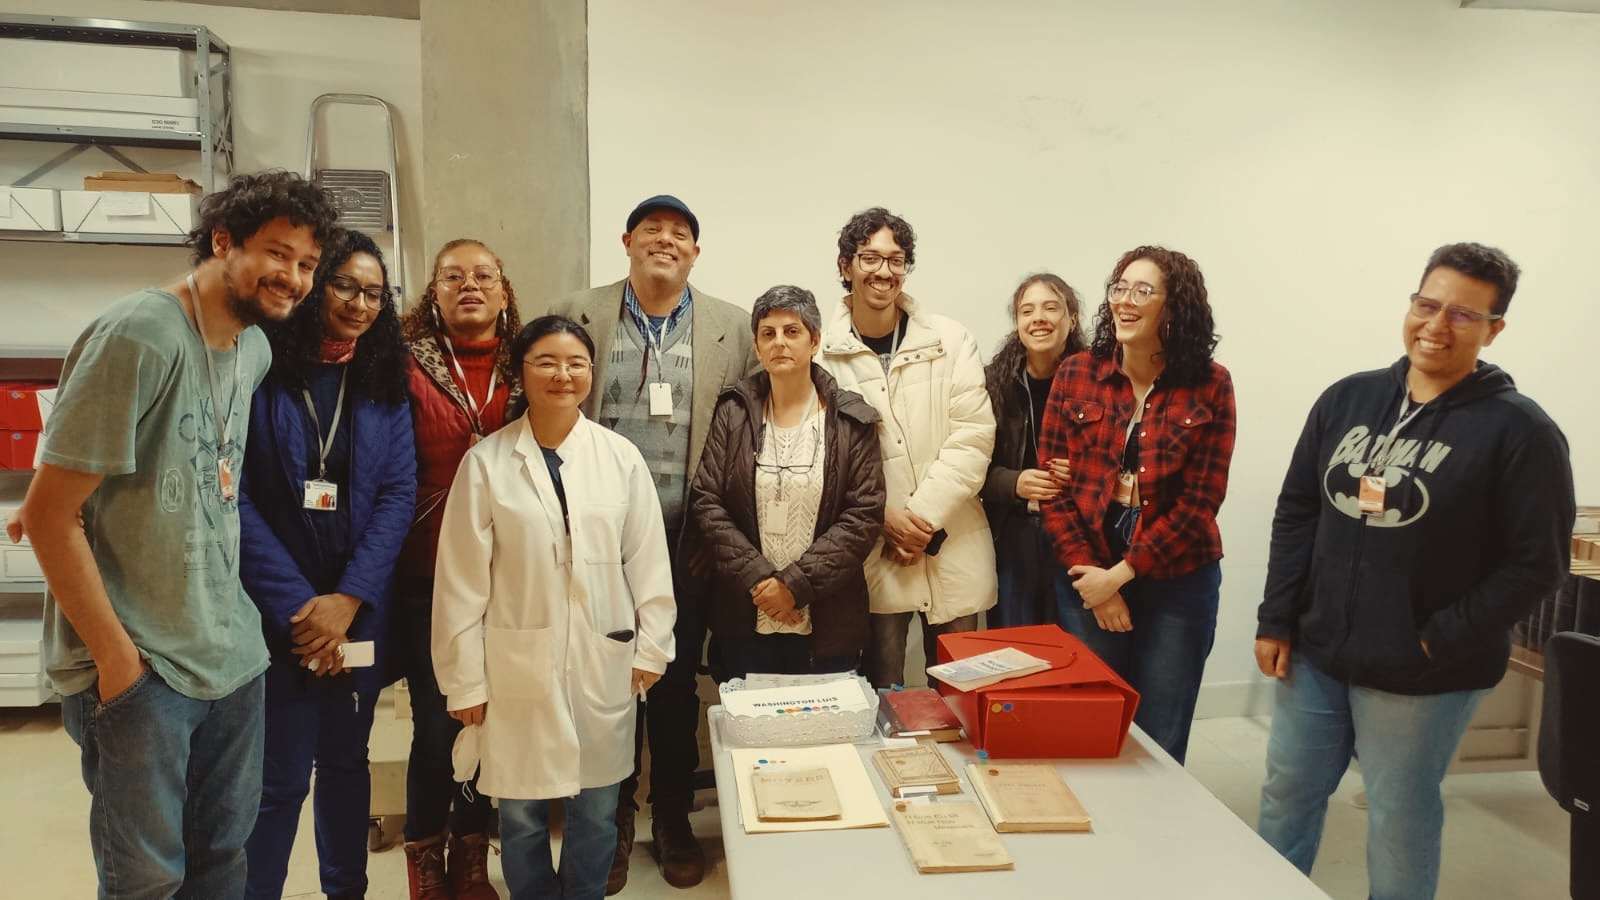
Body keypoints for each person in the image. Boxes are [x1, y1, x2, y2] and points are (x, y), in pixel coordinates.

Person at [5, 170, 338, 898]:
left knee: (223, 863)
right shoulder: (141, 334)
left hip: (230, 655)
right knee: (146, 879)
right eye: (277, 254)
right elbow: (48, 516)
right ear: (224, 241)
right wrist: (118, 664)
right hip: (143, 667)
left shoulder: (252, 351)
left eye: (308, 265)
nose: (293, 278)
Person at [1254, 242, 1574, 900]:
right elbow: (1298, 511)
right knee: (1287, 794)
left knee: (1398, 820)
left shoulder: (1520, 431)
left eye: (1462, 314)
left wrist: (1435, 637)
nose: (1435, 325)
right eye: (1427, 305)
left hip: (1422, 673)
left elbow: (1537, 562)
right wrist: (1276, 617)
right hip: (1317, 653)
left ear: (1494, 329)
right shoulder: (1348, 399)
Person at [545, 194, 756, 892]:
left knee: (667, 687)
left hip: (687, 540)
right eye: (653, 230)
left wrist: (713, 532)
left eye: (681, 234)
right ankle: (605, 825)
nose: (666, 241)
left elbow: (747, 440)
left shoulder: (732, 325)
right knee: (602, 683)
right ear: (627, 240)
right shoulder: (582, 311)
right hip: (596, 540)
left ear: (696, 252)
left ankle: (671, 819)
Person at [432, 315, 676, 900]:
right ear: (522, 371)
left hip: (604, 654)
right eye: (546, 362)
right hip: (516, 662)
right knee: (519, 814)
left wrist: (652, 646)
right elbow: (460, 581)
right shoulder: (488, 463)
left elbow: (648, 560)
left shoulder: (620, 458)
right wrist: (464, 681)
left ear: (591, 373)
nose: (563, 375)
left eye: (576, 363)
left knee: (596, 807)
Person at [238, 229, 416, 900]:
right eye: (345, 285)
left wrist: (348, 599)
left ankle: (347, 890)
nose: (359, 303)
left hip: (358, 610)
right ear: (316, 288)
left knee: (346, 763)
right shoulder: (260, 367)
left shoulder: (381, 378)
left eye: (374, 292)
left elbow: (398, 494)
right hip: (277, 613)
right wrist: (301, 606)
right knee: (279, 774)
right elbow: (240, 497)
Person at [1037, 245, 1235, 765]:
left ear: (1175, 307)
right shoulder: (1077, 373)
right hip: (1087, 565)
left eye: (1143, 291)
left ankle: (1158, 839)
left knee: (1160, 737)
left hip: (1178, 574)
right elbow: (1052, 490)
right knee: (1093, 721)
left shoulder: (1212, 385)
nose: (1125, 301)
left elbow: (1200, 502)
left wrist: (1123, 574)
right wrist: (1098, 583)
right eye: (1119, 288)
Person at [817, 207, 997, 690]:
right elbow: (823, 458)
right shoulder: (820, 355)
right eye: (869, 257)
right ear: (845, 265)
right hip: (876, 553)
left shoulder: (951, 339)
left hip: (953, 542)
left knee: (963, 696)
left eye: (896, 259)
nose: (883, 271)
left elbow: (973, 436)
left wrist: (919, 520)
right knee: (882, 699)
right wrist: (883, 517)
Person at [398, 238, 526, 899]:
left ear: (504, 293)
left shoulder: (528, 367)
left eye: (483, 276)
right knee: (438, 717)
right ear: (435, 293)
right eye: (454, 277)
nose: (469, 286)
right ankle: (425, 852)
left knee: (489, 719)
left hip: (507, 574)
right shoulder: (401, 364)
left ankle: (473, 853)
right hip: (426, 572)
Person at [690, 285, 886, 681]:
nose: (779, 342)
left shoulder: (853, 419)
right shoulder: (734, 413)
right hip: (745, 612)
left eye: (792, 331)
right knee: (750, 735)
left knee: (824, 736)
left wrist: (794, 586)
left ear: (814, 341)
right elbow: (707, 503)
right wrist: (761, 580)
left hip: (827, 618)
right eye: (768, 333)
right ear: (758, 348)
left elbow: (863, 516)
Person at [981, 273, 1088, 628]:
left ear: (1071, 319)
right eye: (1027, 311)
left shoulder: (1100, 381)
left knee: (1078, 649)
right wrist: (1013, 482)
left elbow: (1125, 461)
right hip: (1013, 534)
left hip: (1080, 535)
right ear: (1017, 324)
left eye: (1050, 307)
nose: (1038, 318)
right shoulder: (992, 382)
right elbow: (970, 467)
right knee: (1016, 651)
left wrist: (1084, 476)